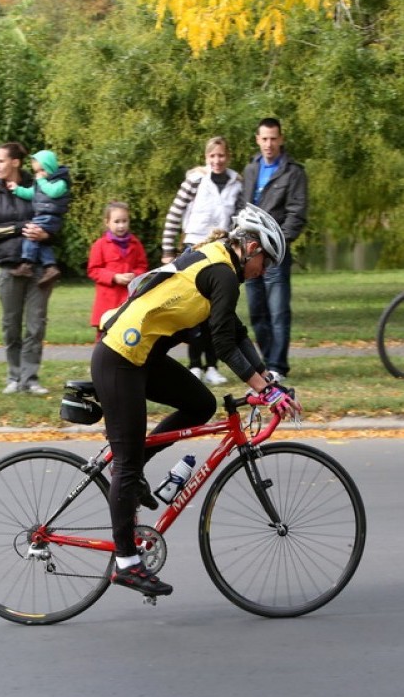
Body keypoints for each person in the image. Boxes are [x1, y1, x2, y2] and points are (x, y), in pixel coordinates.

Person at [90, 204, 301, 598]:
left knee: (201, 405)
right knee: (127, 459)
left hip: (143, 359)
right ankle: (126, 563)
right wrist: (262, 388)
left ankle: (134, 479)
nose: (266, 269)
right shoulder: (222, 271)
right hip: (120, 358)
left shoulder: (221, 263)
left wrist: (268, 381)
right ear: (251, 246)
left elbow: (235, 333)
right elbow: (222, 344)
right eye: (266, 260)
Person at [162, 136, 243, 385]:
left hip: (221, 250)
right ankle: (194, 364)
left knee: (216, 311)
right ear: (206, 158)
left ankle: (212, 365)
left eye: (221, 156)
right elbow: (174, 215)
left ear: (227, 156)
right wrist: (167, 251)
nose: (217, 161)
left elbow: (239, 221)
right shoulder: (195, 181)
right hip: (194, 246)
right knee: (194, 309)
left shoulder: (236, 183)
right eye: (212, 156)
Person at [239, 117, 308, 382]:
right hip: (249, 251)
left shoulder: (294, 172)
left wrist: (277, 243)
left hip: (275, 253)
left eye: (273, 138)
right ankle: (267, 364)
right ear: (258, 139)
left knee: (278, 311)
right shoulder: (251, 170)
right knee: (257, 311)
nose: (269, 144)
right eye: (264, 138)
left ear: (281, 139)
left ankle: (278, 365)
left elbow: (296, 215)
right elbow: (242, 209)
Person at [0, 142, 54, 395]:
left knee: (36, 325)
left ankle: (31, 378)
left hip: (38, 268)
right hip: (8, 269)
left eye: (0, 161)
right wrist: (20, 227)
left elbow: (53, 219)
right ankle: (14, 377)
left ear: (15, 162)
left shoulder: (38, 187)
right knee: (10, 325)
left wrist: (45, 233)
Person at [7, 149, 71, 288]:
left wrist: (41, 180)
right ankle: (51, 267)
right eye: (37, 171)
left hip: (51, 216)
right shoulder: (41, 180)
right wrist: (17, 189)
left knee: (30, 233)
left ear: (48, 166)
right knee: (41, 241)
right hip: (43, 215)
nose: (39, 174)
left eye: (41, 169)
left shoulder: (61, 181)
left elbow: (53, 192)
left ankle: (27, 264)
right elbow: (32, 194)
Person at [87, 201, 148, 341]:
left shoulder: (136, 244)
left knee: (128, 337)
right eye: (117, 221)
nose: (121, 225)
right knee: (104, 338)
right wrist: (114, 277)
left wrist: (135, 275)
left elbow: (142, 266)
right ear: (107, 222)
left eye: (124, 221)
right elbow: (93, 270)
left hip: (128, 300)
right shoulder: (100, 245)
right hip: (107, 301)